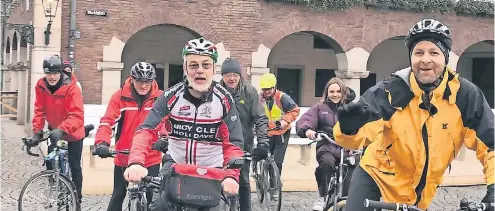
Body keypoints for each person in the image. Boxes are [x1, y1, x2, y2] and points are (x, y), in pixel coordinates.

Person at [334, 19, 494, 211]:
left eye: (434, 52)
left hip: (420, 194)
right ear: (411, 58)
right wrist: (348, 129)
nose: (425, 59)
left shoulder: (464, 96)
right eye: (419, 53)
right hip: (375, 180)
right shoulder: (391, 91)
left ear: (445, 58)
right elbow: (355, 138)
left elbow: (490, 144)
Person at [123, 37, 244, 211]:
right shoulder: (170, 97)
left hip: (212, 171)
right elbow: (146, 130)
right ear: (185, 68)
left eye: (206, 65)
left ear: (214, 69)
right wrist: (136, 162)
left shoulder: (225, 100)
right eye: (193, 65)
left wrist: (231, 176)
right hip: (175, 167)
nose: (200, 71)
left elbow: (233, 142)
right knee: (157, 207)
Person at [92, 62, 163, 211]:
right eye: (140, 81)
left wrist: (163, 140)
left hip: (151, 156)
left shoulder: (160, 98)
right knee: (118, 194)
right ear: (132, 79)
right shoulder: (119, 97)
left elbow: (165, 123)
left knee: (152, 198)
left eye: (147, 82)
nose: (144, 86)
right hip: (124, 155)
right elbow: (107, 122)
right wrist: (102, 143)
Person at [26, 55, 85, 210]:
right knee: (51, 162)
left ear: (60, 72)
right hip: (54, 131)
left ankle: (77, 198)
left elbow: (77, 115)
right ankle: (58, 189)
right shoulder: (41, 85)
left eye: (55, 73)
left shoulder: (72, 87)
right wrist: (37, 133)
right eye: (48, 73)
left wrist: (63, 129)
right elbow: (39, 110)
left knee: (74, 165)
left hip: (73, 131)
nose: (51, 77)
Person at [296, 77, 356, 211]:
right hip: (327, 145)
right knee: (326, 163)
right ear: (326, 93)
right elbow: (306, 119)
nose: (335, 94)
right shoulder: (320, 107)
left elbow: (361, 125)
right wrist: (308, 130)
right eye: (332, 91)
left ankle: (348, 201)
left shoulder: (350, 108)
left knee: (350, 169)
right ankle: (322, 197)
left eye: (338, 91)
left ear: (343, 92)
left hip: (346, 148)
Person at [219, 57, 270, 211]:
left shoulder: (249, 92)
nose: (232, 78)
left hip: (243, 143)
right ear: (222, 76)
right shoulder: (216, 91)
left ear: (240, 75)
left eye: (235, 74)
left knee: (243, 180)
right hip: (220, 143)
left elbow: (260, 117)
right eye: (228, 75)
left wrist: (263, 143)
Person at [259, 72, 300, 176]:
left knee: (277, 161)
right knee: (264, 157)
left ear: (274, 87)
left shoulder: (282, 97)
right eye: (264, 89)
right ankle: (263, 181)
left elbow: (295, 110)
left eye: (269, 89)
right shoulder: (259, 99)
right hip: (266, 133)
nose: (267, 92)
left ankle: (275, 186)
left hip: (282, 132)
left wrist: (285, 121)